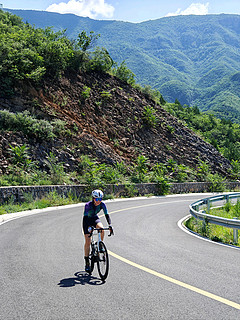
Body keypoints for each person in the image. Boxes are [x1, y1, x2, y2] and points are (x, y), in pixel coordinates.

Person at [83, 189, 112, 273]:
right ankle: (87, 262)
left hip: (95, 219)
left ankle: (100, 245)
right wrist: (89, 227)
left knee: (102, 229)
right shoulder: (88, 205)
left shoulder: (102, 205)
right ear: (93, 198)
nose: (99, 201)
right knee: (88, 241)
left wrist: (109, 225)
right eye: (97, 199)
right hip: (87, 221)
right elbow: (85, 218)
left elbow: (107, 215)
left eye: (100, 199)